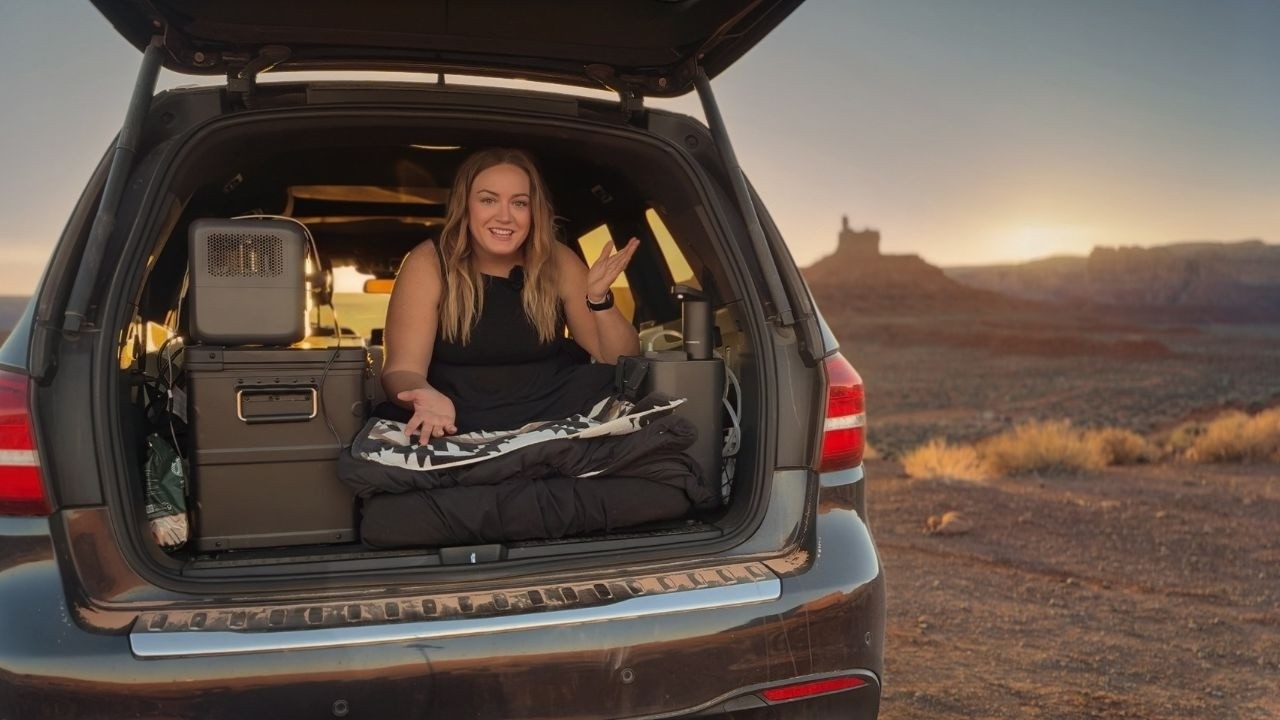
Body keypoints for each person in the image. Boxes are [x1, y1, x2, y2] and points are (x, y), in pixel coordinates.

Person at [380, 148, 641, 439]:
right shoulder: (428, 262)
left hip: (553, 410)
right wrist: (427, 398)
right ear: (466, 206)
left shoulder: (558, 259)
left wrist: (599, 300)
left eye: (519, 203)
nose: (505, 216)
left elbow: (621, 359)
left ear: (533, 212)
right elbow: (400, 371)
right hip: (455, 414)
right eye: (488, 200)